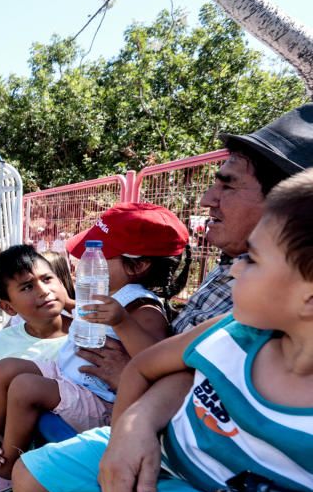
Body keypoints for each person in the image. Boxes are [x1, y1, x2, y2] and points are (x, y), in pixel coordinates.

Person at [0, 169, 313, 492]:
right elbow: (147, 367)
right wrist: (125, 434)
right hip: (159, 455)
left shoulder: (157, 309)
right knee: (33, 474)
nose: (230, 269)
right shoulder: (231, 332)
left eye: (251, 259)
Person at [72, 103, 313, 392]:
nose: (206, 199)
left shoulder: (273, 305)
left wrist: (135, 378)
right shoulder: (231, 264)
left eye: (228, 186)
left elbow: (211, 405)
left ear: (283, 206)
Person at [0, 203, 190, 492]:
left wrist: (122, 322)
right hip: (70, 377)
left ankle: (5, 468)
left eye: (99, 254)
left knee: (25, 387)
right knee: (5, 369)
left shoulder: (142, 307)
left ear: (137, 265)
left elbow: (155, 359)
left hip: (99, 401)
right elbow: (75, 306)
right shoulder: (107, 290)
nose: (86, 260)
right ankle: (0, 447)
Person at [0, 245, 71, 491]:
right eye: (27, 287)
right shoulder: (3, 343)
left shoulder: (89, 332)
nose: (44, 291)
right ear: (8, 307)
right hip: (20, 477)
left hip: (66, 466)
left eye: (48, 279)